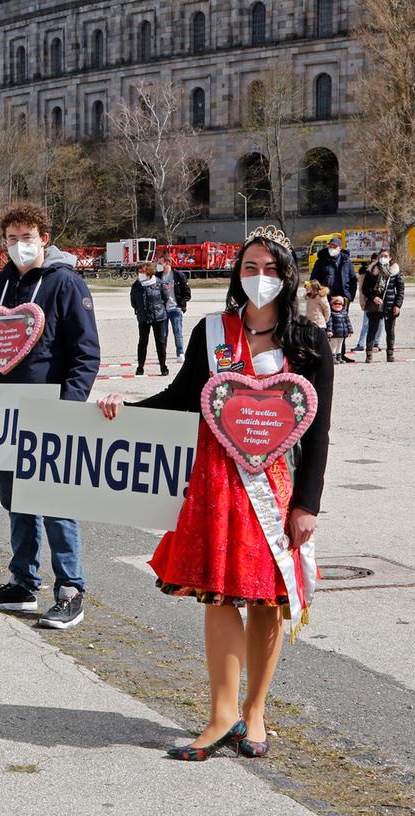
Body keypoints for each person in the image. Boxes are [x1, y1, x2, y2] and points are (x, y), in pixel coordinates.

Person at [97, 226, 332, 762]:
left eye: (271, 268)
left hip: (274, 492)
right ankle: (221, 713)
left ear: (288, 275)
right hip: (215, 486)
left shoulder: (308, 339)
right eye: (250, 267)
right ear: (236, 273)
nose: (260, 278)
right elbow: (182, 398)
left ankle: (255, 712)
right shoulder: (212, 332)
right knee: (221, 595)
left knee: (268, 598)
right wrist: (123, 411)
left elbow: (318, 429)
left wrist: (308, 504)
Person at [0, 202, 100, 629]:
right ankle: (22, 582)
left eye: (27, 237)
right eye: (11, 239)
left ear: (44, 238)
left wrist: (69, 407)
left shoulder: (66, 284)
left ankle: (70, 589)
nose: (19, 246)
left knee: (53, 501)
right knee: (16, 501)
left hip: (49, 413)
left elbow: (86, 355)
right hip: (2, 416)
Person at [130, 261, 173, 376]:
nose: (140, 275)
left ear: (149, 272)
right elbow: (133, 302)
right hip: (143, 318)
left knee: (160, 342)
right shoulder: (136, 286)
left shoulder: (158, 283)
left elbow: (165, 298)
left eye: (142, 272)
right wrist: (140, 310)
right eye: (138, 272)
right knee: (143, 342)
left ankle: (163, 366)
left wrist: (158, 309)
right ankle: (140, 367)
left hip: (159, 317)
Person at [361, 256, 404, 363]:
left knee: (390, 331)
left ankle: (390, 354)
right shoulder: (372, 271)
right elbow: (365, 288)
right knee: (372, 330)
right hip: (375, 306)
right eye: (382, 256)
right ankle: (369, 355)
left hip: (390, 305)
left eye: (386, 256)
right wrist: (373, 297)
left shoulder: (395, 271)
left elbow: (400, 290)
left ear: (390, 258)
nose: (383, 258)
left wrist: (397, 305)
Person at [353, 251, 384, 355]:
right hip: (369, 302)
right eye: (376, 259)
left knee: (380, 323)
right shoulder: (366, 273)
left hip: (381, 303)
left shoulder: (386, 271)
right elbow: (362, 290)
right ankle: (361, 344)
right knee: (366, 323)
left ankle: (376, 343)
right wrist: (362, 302)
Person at [165, 259, 191, 362]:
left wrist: (181, 306)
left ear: (168, 263)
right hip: (163, 310)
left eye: (161, 263)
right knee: (163, 335)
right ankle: (163, 354)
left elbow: (187, 293)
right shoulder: (157, 276)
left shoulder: (178, 275)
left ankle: (180, 353)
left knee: (178, 332)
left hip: (175, 308)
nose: (159, 265)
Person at [328, 296, 353, 363]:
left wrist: (350, 330)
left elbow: (348, 322)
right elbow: (330, 323)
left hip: (342, 333)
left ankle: (339, 357)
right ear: (331, 304)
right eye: (335, 303)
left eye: (339, 303)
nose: (337, 305)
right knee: (333, 345)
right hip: (334, 333)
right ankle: (333, 357)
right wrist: (329, 330)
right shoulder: (331, 313)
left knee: (340, 345)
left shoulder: (344, 312)